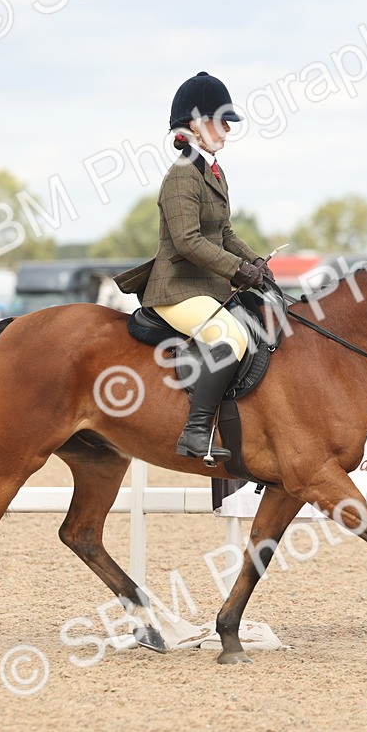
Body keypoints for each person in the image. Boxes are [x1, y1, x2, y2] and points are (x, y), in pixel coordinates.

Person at [114, 71, 272, 463]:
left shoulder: (213, 173)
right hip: (177, 289)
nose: (226, 130)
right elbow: (188, 241)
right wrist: (238, 270)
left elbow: (224, 232)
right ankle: (196, 432)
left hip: (207, 287)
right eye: (219, 121)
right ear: (194, 125)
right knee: (230, 339)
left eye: (227, 122)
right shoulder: (182, 176)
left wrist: (255, 262)